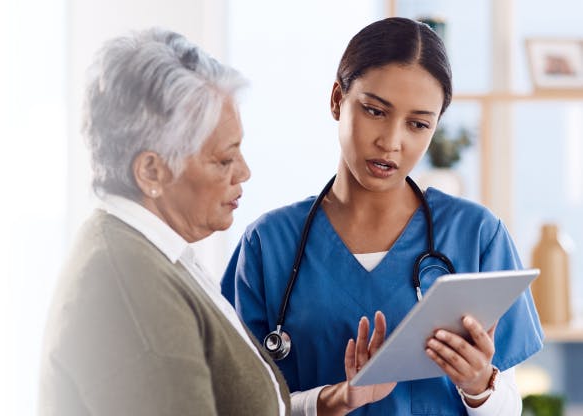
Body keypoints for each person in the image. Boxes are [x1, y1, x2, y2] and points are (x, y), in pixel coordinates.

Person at [221, 17, 543, 415]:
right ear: (337, 99)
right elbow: (237, 401)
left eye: (418, 124)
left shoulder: (476, 235)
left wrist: (478, 385)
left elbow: (509, 407)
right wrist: (333, 398)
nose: (391, 142)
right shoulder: (268, 244)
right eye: (375, 111)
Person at [38, 28, 298, 415]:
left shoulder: (150, 255)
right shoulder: (126, 282)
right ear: (151, 172)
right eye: (224, 160)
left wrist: (316, 406)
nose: (243, 172)